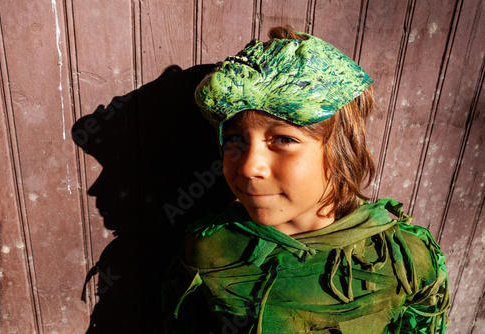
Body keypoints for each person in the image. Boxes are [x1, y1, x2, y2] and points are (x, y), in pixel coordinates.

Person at [162, 26, 450, 334]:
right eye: (234, 140)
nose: (248, 168)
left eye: (283, 140)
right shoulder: (210, 246)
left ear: (343, 151)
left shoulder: (403, 261)